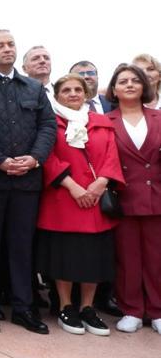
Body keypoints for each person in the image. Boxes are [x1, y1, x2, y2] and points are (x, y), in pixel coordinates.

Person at [0, 29, 56, 335]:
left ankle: (23, 307)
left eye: (11, 44)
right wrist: (0, 160)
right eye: (0, 45)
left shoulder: (33, 87)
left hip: (27, 182)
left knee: (22, 247)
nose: (7, 49)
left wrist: (35, 158)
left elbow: (47, 125)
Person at [36, 73, 124, 336]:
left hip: (95, 199)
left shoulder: (102, 122)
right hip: (63, 198)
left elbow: (112, 155)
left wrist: (101, 183)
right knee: (65, 255)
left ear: (86, 94)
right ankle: (66, 306)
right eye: (66, 90)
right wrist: (72, 186)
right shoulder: (50, 122)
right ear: (57, 95)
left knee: (93, 258)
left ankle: (87, 307)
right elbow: (47, 157)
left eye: (78, 89)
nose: (73, 94)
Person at [103, 64, 161, 334]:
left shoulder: (158, 118)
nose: (129, 84)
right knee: (127, 258)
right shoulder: (105, 121)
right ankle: (132, 310)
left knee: (157, 257)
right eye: (123, 81)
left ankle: (158, 310)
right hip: (122, 198)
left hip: (156, 196)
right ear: (114, 90)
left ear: (144, 86)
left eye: (135, 80)